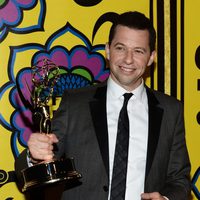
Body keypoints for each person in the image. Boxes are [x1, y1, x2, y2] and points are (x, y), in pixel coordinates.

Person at [15, 11, 191, 200]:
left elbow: (179, 180)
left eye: (138, 51)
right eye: (120, 48)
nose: (128, 59)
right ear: (108, 50)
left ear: (151, 57)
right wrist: (34, 156)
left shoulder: (171, 110)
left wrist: (166, 199)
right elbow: (45, 160)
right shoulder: (75, 103)